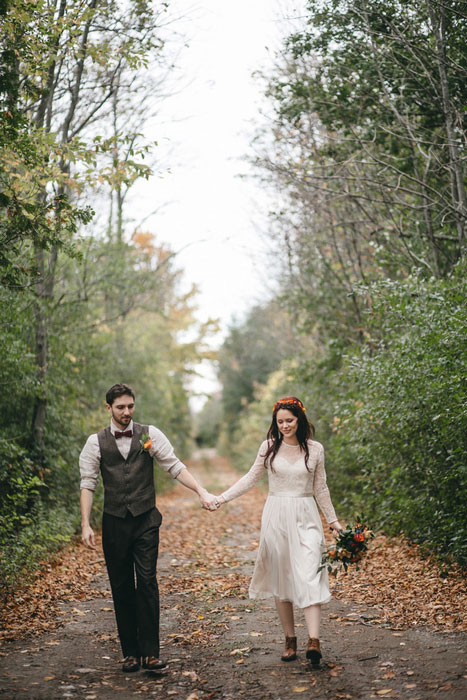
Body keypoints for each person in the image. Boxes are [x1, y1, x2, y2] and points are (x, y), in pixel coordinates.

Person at [79, 383, 218, 673]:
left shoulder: (150, 434)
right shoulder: (95, 442)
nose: (127, 412)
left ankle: (151, 653)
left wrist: (202, 491)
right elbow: (88, 483)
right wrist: (85, 524)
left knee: (147, 582)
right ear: (109, 408)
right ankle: (130, 653)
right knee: (121, 587)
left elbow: (175, 466)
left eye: (130, 406)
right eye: (120, 407)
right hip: (114, 522)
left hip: (145, 520)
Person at [213, 396, 342, 665]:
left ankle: (314, 641)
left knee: (310, 572)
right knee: (282, 577)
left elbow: (321, 488)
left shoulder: (315, 450)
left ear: (300, 420)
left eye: (290, 420)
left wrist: (333, 521)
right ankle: (290, 639)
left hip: (306, 515)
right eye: (280, 421)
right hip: (276, 516)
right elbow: (251, 478)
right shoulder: (269, 447)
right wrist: (222, 498)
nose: (285, 425)